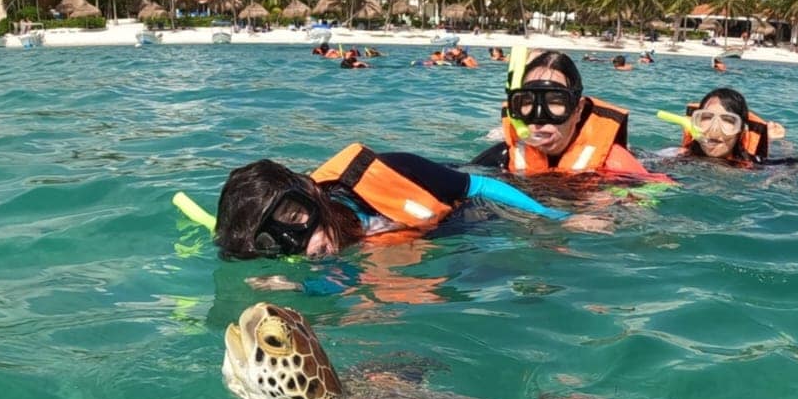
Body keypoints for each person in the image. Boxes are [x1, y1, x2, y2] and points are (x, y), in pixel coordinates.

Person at [214, 144, 565, 262]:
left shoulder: (390, 170)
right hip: (429, 233)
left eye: (295, 215)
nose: (306, 247)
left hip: (475, 206)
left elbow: (478, 184)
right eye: (275, 241)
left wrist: (554, 217)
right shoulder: (315, 256)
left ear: (310, 191)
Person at [471, 49, 672, 181]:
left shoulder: (613, 162)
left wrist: (608, 209)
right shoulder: (503, 157)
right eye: (527, 103)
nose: (539, 118)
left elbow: (656, 190)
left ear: (578, 110)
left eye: (556, 103)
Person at [677, 87, 784, 167]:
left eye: (727, 120)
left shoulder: (757, 166)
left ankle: (772, 139)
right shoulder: (677, 157)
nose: (714, 130)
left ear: (741, 130)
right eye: (706, 117)